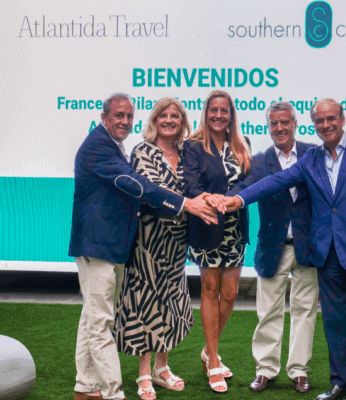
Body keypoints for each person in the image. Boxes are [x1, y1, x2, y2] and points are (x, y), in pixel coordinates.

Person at [222, 99, 346, 400]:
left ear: (342, 119)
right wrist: (238, 200)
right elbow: (275, 181)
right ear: (313, 124)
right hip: (328, 257)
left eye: (331, 118)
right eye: (319, 121)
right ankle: (341, 385)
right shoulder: (312, 159)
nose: (326, 125)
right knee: (334, 325)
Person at [69, 93, 217, 400]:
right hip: (98, 245)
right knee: (100, 323)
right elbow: (138, 186)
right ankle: (114, 393)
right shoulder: (99, 146)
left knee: (92, 318)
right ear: (104, 117)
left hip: (113, 246)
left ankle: (86, 386)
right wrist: (186, 203)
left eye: (128, 116)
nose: (124, 121)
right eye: (118, 115)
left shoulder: (113, 145)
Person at [227, 101, 319, 393]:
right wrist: (226, 199)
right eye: (274, 123)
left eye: (284, 122)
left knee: (305, 311)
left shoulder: (313, 154)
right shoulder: (259, 161)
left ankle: (299, 371)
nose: (280, 128)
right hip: (272, 247)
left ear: (295, 124)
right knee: (268, 312)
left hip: (308, 247)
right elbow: (245, 188)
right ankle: (265, 370)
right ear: (268, 127)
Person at [113, 97, 194, 400]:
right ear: (154, 120)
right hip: (148, 239)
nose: (169, 120)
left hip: (177, 241)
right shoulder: (142, 151)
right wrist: (190, 204)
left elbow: (194, 187)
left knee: (171, 299)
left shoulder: (188, 153)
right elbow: (154, 191)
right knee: (145, 300)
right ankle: (144, 372)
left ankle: (162, 368)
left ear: (182, 121)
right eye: (163, 115)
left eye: (175, 116)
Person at [183, 90, 251, 394]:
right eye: (214, 110)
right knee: (210, 289)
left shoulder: (242, 143)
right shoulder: (193, 145)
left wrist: (232, 198)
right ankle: (213, 360)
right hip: (207, 225)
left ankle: (208, 349)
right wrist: (211, 198)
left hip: (235, 229)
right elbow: (191, 183)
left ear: (231, 114)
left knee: (231, 293)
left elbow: (248, 181)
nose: (219, 115)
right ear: (206, 112)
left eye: (224, 110)